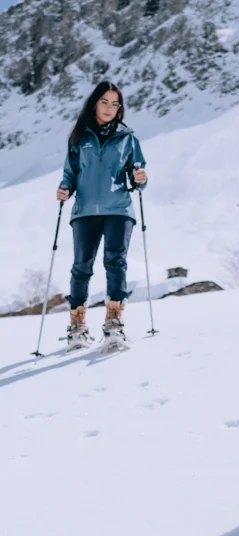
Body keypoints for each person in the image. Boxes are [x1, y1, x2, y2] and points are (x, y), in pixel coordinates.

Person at [56, 81, 148, 350]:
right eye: (105, 102)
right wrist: (64, 188)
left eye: (115, 104)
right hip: (84, 211)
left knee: (115, 262)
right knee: (81, 267)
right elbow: (70, 173)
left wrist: (140, 178)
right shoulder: (79, 137)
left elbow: (138, 174)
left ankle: (114, 324)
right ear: (94, 103)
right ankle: (77, 327)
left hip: (119, 208)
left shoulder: (128, 138)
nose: (110, 108)